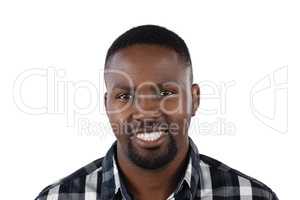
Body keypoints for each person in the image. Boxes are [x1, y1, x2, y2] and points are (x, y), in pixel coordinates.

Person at [35, 24, 279, 200]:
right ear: (107, 105)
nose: (147, 112)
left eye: (166, 93)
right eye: (125, 96)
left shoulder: (253, 196)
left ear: (194, 100)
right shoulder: (59, 197)